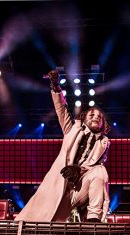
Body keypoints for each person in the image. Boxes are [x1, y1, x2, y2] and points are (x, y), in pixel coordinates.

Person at [15, 69, 111, 223]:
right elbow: (61, 110)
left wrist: (79, 169)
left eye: (99, 117)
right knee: (39, 222)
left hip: (81, 189)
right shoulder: (71, 130)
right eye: (91, 115)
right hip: (61, 190)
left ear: (103, 124)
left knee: (100, 171)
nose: (95, 117)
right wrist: (56, 87)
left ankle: (93, 219)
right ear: (84, 119)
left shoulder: (104, 142)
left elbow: (95, 167)